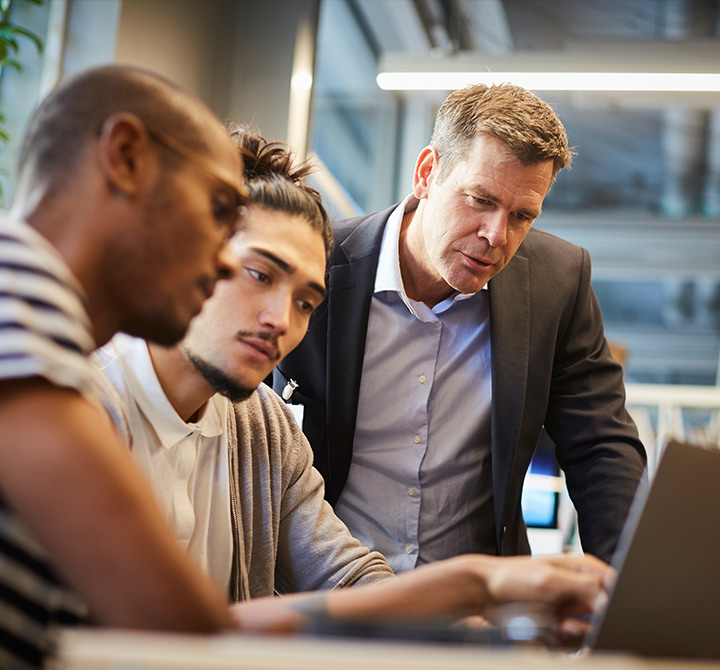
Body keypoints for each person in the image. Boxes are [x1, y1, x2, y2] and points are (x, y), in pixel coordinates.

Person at [94, 127, 611, 644]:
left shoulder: (264, 426)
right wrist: (475, 584)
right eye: (259, 275)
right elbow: (154, 629)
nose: (281, 320)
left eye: (304, 303)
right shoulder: (80, 403)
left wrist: (481, 626)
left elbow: (350, 578)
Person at [272, 83, 647, 571]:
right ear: (427, 173)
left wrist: (628, 593)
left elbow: (600, 446)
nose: (496, 235)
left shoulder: (558, 283)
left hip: (476, 615)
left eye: (522, 216)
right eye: (479, 199)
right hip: (325, 596)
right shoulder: (316, 262)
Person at [0, 63, 247, 668]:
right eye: (219, 209)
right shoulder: (16, 312)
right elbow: (175, 627)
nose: (226, 263)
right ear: (127, 156)